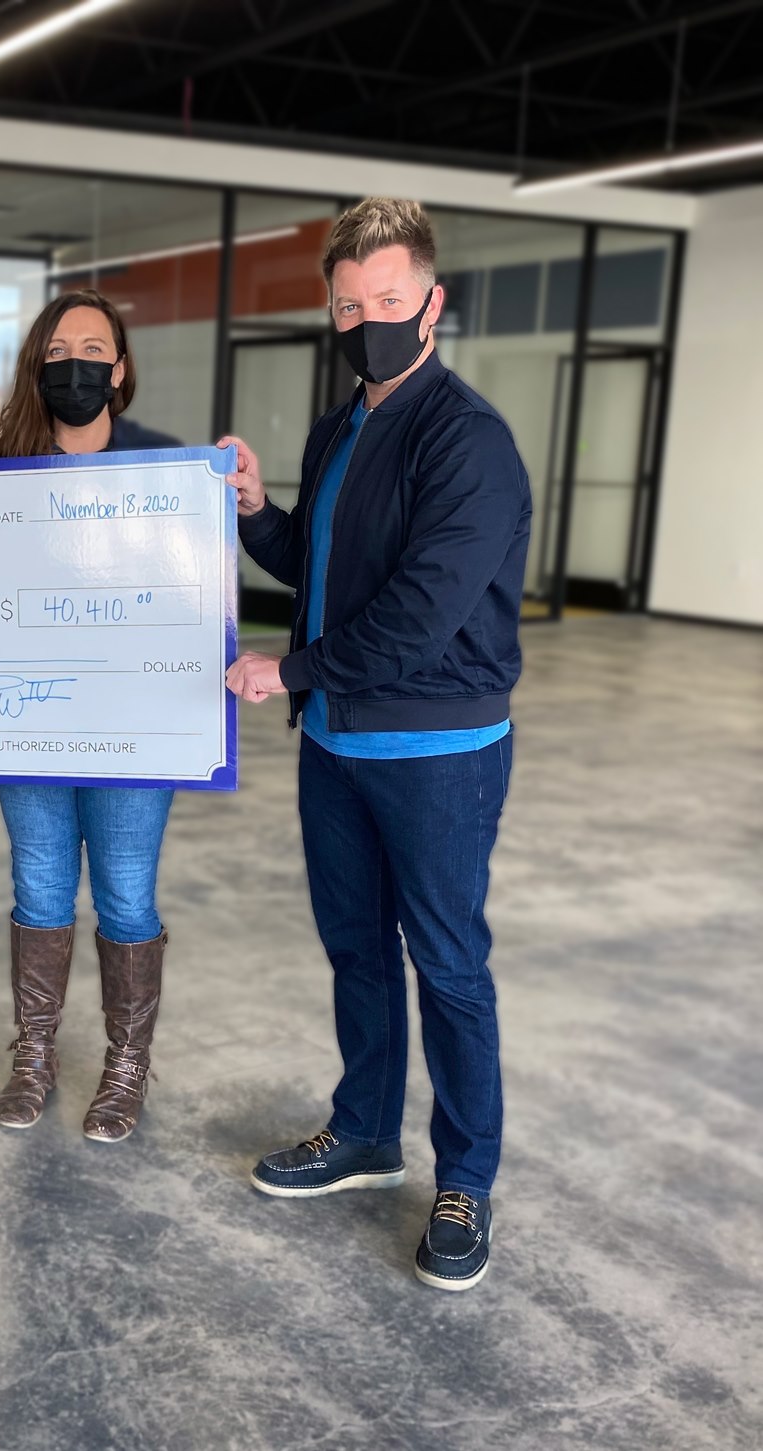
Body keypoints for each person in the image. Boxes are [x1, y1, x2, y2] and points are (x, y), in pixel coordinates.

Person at [222, 199, 531, 1291]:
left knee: (446, 963)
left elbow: (418, 614)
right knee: (355, 947)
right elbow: (321, 572)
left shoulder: (468, 441)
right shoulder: (338, 427)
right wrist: (256, 511)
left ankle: (466, 1178)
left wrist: (289, 670)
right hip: (337, 745)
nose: (368, 321)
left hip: (438, 751)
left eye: (388, 300)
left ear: (432, 304)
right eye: (349, 306)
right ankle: (363, 1131)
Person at [0, 288, 179, 1143]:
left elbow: (196, 589)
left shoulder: (170, 471)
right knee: (39, 886)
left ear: (120, 369)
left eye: (94, 351)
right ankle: (34, 1052)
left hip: (134, 726)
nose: (76, 365)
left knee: (127, 895)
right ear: (38, 365)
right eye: (60, 351)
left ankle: (126, 1064)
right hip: (25, 721)